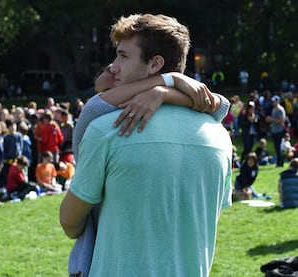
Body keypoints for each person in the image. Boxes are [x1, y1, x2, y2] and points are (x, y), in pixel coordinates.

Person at [60, 13, 232, 276]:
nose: (114, 66)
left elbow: (70, 223)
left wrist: (163, 88)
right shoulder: (220, 137)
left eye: (123, 56)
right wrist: (168, 84)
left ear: (155, 64)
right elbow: (211, 218)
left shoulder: (107, 130)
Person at [266, 95, 287, 167]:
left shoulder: (281, 109)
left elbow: (282, 120)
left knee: (279, 147)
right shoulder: (273, 109)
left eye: (275, 101)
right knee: (276, 147)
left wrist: (271, 119)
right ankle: (279, 162)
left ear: (278, 101)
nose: (273, 102)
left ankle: (280, 162)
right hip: (274, 131)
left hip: (279, 131)